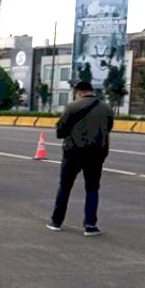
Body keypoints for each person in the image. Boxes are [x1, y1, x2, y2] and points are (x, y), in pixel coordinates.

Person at [47, 81, 113, 237]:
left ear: (79, 92)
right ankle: (90, 225)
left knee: (65, 187)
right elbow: (108, 128)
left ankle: (56, 221)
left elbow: (60, 132)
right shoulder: (106, 108)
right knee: (92, 189)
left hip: (73, 153)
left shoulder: (72, 107)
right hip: (96, 154)